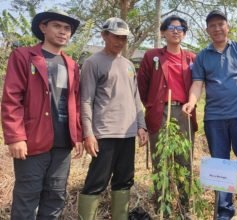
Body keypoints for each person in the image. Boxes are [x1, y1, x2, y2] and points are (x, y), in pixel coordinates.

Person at [182, 10, 237, 220]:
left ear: (227, 26)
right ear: (207, 30)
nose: (217, 28)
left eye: (221, 24)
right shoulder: (202, 56)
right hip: (214, 119)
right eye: (212, 25)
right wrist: (191, 102)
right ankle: (224, 213)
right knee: (220, 168)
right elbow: (198, 83)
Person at [1, 9, 83, 219]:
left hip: (63, 142)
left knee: (55, 196)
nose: (63, 32)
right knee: (27, 196)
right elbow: (12, 99)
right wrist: (16, 137)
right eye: (57, 26)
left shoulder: (71, 64)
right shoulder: (24, 57)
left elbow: (74, 102)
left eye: (67, 28)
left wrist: (78, 134)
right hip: (33, 141)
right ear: (43, 27)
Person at [78, 17, 148, 220]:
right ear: (104, 36)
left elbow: (135, 97)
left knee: (124, 180)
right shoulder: (93, 63)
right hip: (104, 132)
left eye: (124, 39)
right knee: (96, 181)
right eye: (116, 37)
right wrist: (88, 133)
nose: (120, 42)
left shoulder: (127, 65)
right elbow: (86, 100)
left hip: (128, 132)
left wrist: (141, 125)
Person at [137, 15, 197, 211]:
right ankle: (161, 204)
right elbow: (141, 87)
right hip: (159, 111)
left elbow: (198, 84)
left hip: (185, 111)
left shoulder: (191, 58)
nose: (175, 31)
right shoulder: (151, 56)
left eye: (180, 28)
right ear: (163, 32)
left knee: (184, 159)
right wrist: (153, 106)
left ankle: (184, 206)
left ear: (185, 33)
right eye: (170, 28)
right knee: (160, 159)